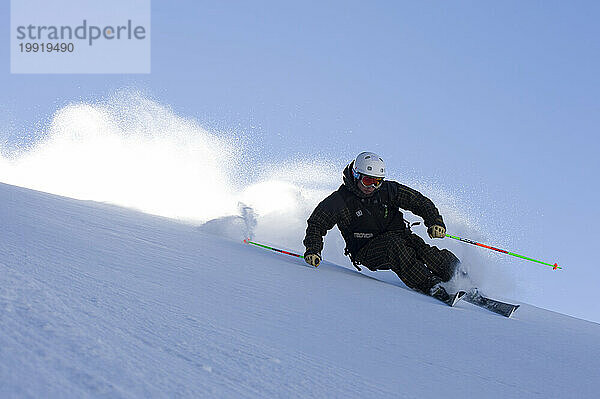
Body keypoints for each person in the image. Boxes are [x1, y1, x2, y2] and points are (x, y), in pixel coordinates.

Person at [302, 152, 460, 301]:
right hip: (366, 248)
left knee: (425, 251)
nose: (372, 187)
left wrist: (435, 221)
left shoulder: (388, 191)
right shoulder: (340, 201)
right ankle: (432, 285)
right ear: (356, 175)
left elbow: (418, 201)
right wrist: (313, 250)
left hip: (400, 236)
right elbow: (317, 223)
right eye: (368, 181)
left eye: (377, 182)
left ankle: (461, 276)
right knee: (395, 247)